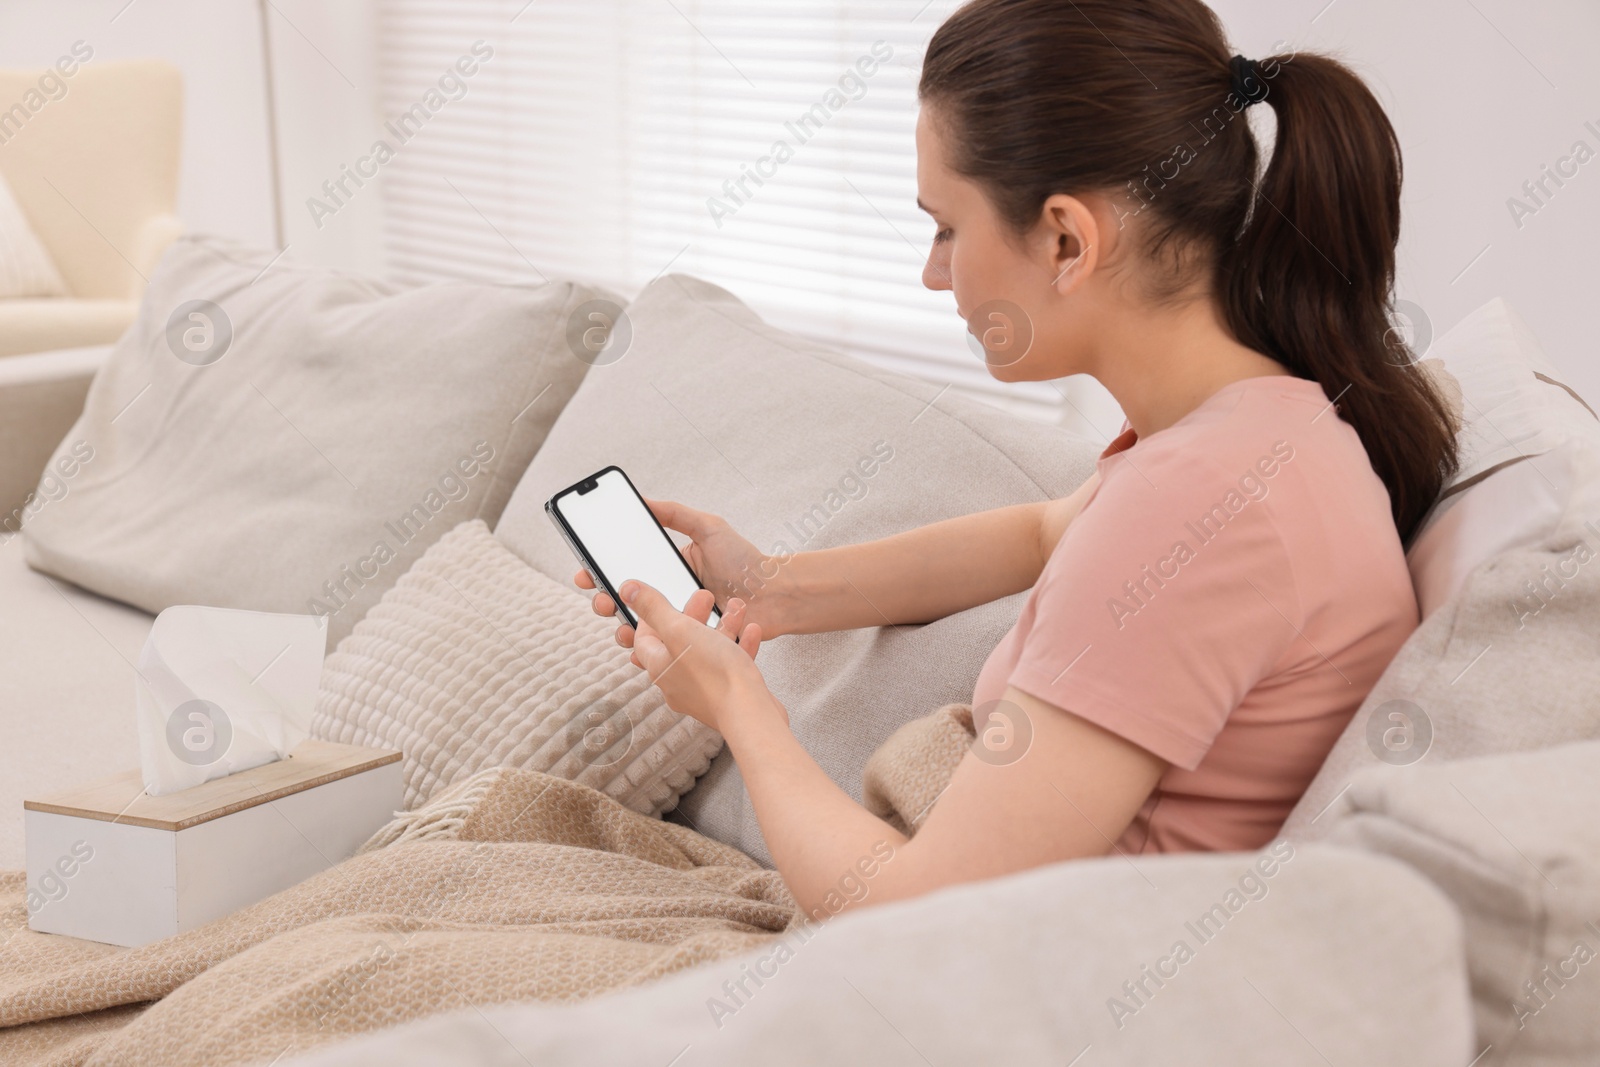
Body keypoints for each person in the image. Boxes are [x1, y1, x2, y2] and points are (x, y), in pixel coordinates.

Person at [576, 0, 1457, 918]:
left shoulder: (1203, 504)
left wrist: (740, 709)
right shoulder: (1261, 429)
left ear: (1067, 241)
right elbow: (1043, 532)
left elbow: (920, 916)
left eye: (947, 227)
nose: (933, 271)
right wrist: (768, 586)